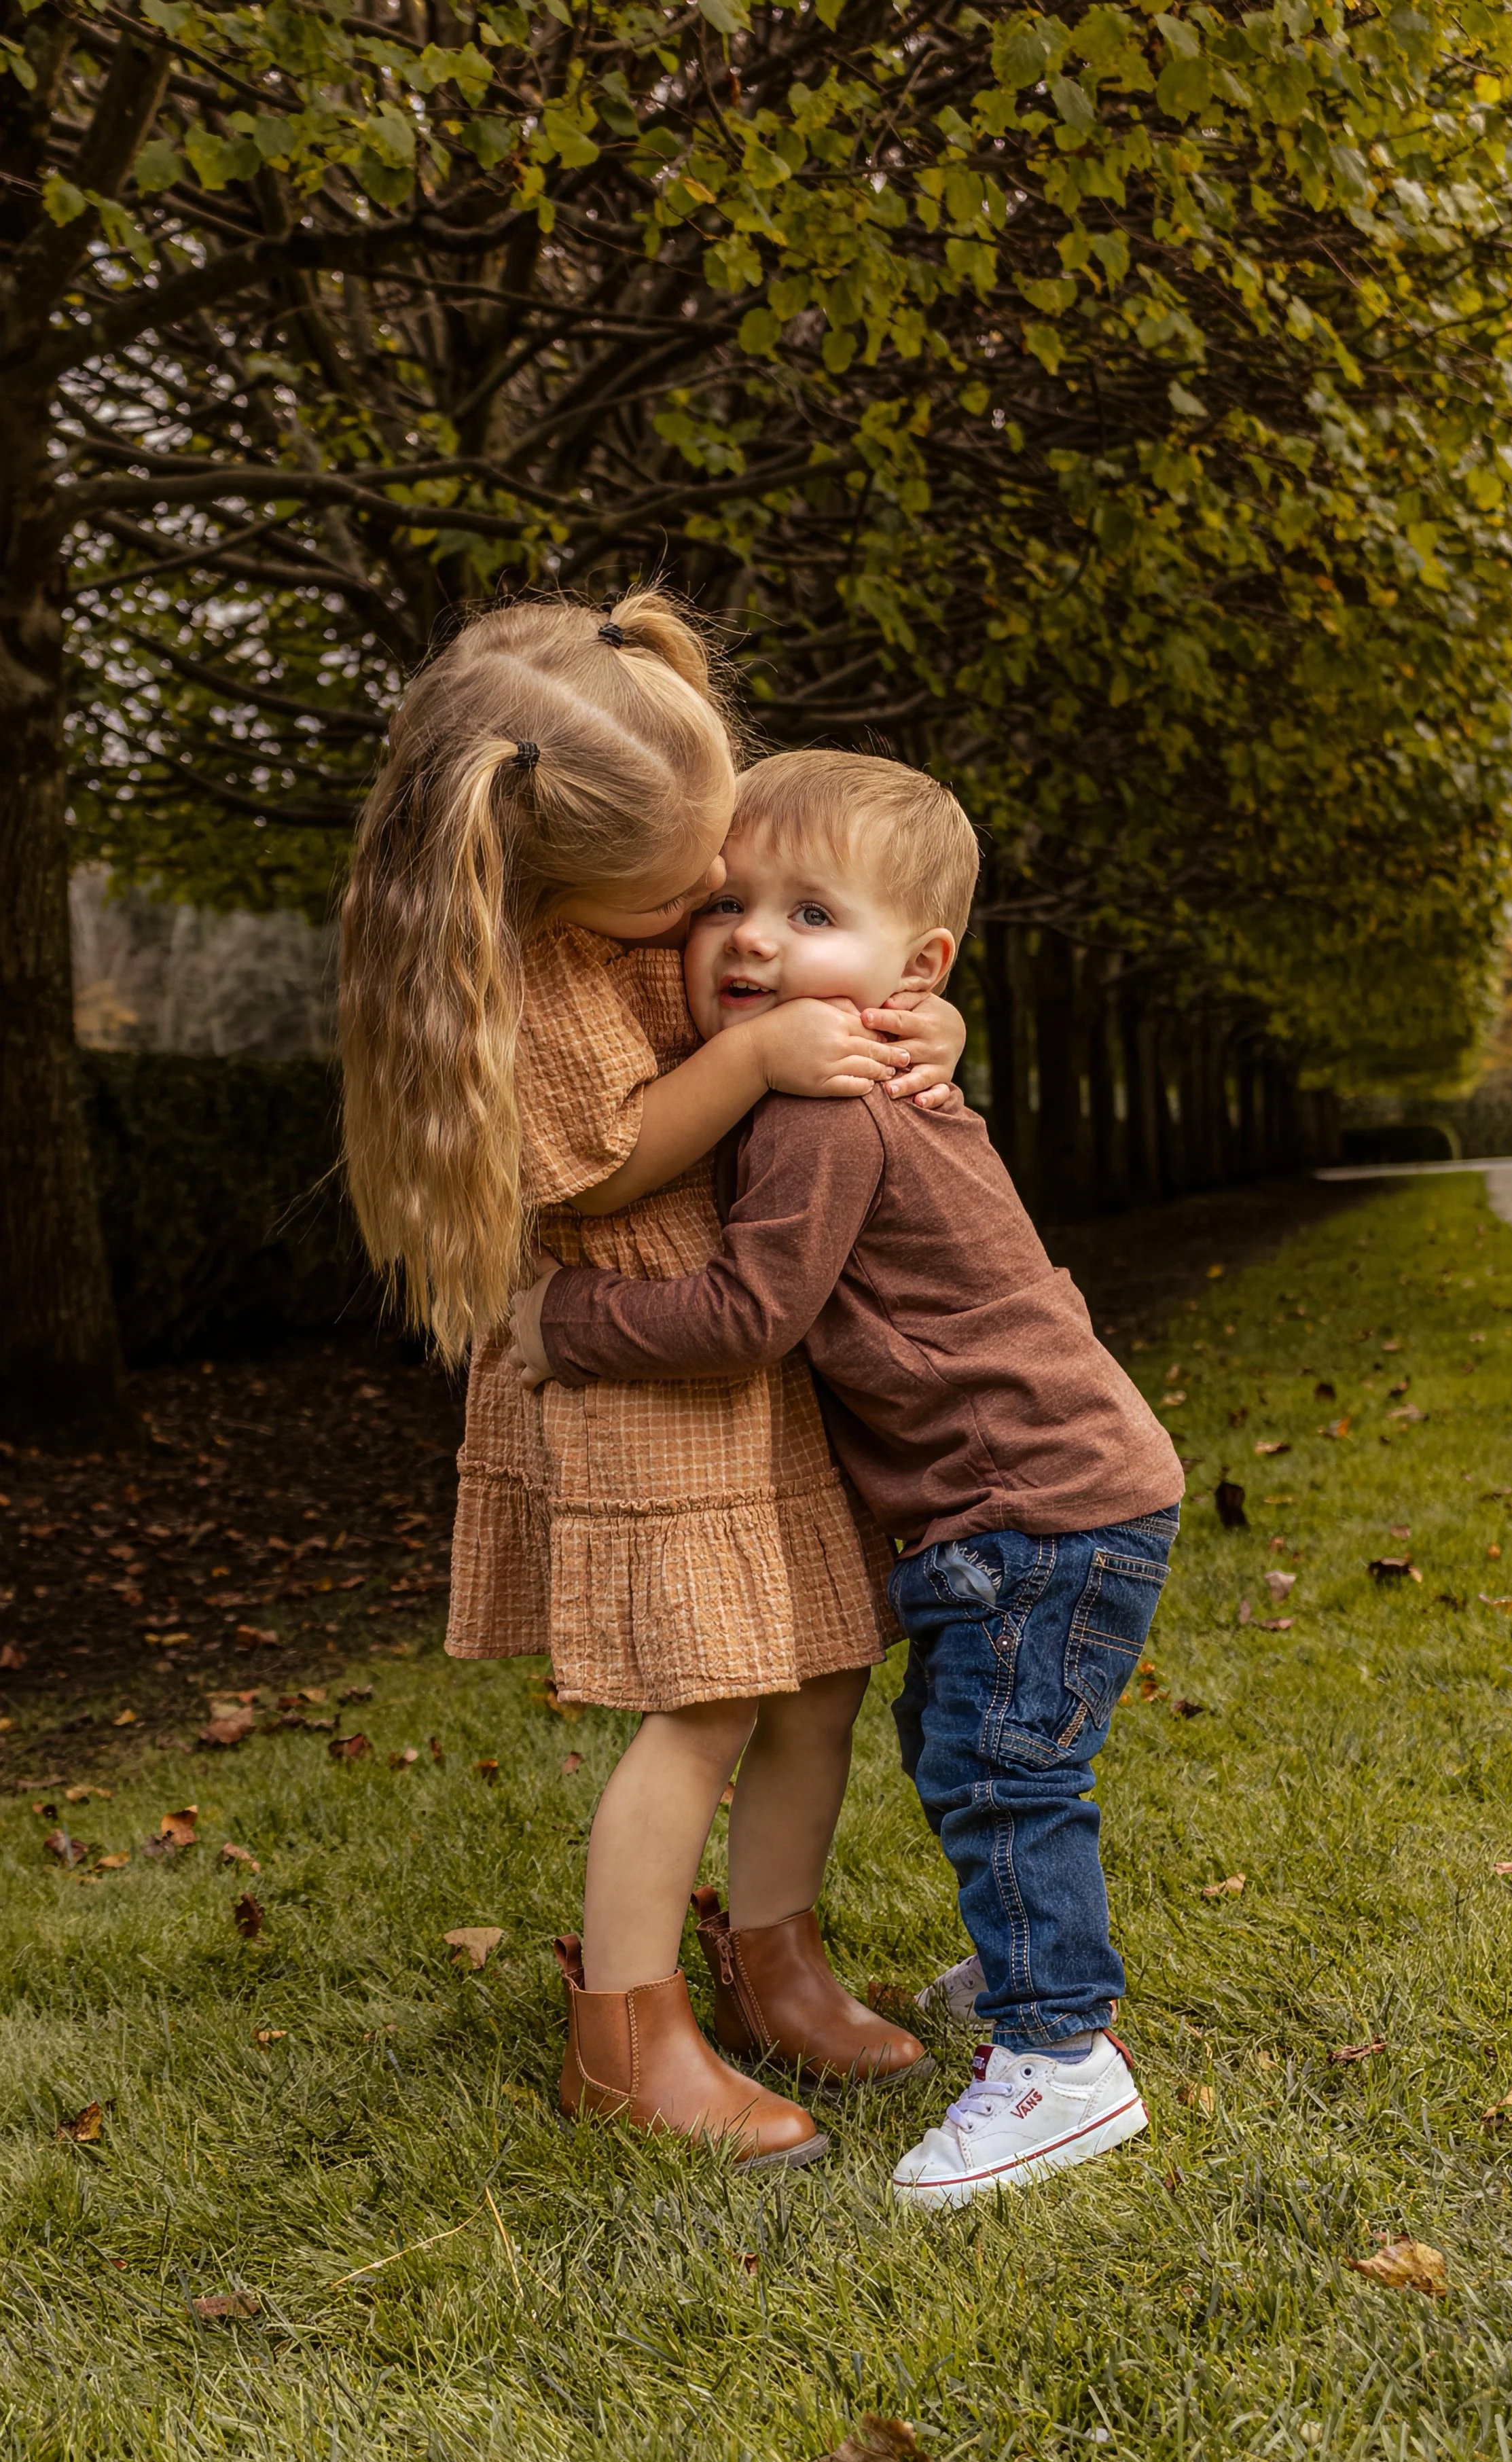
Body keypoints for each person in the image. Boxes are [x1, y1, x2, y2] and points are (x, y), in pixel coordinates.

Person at [511, 749, 1186, 2209]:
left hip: (1024, 1500)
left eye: (808, 912)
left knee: (1004, 1775)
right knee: (969, 1746)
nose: (751, 938)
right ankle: (1028, 1950)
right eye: (728, 903)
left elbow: (750, 1312)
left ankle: (1058, 2061)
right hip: (1047, 1486)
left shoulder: (824, 1109)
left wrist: (563, 1323)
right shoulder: (844, 1062)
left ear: (913, 965)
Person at [340, 601, 965, 2173]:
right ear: (564, 881)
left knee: (817, 1669)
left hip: (744, 1360)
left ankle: (771, 1963)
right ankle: (623, 2031)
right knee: (707, 1702)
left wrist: (917, 1018)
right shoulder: (535, 974)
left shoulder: (639, 915)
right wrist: (757, 1066)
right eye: (688, 881)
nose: (721, 899)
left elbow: (817, 992)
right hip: (638, 1365)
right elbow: (594, 1158)